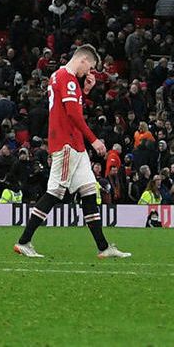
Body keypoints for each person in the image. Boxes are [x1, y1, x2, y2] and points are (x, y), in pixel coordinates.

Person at [14, 44, 131, 259]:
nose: (89, 73)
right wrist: (94, 140)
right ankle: (24, 241)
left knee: (88, 193)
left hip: (75, 146)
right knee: (55, 192)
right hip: (67, 144)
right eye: (90, 68)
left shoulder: (61, 78)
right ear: (83, 60)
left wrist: (85, 91)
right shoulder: (66, 78)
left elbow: (71, 109)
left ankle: (103, 247)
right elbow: (73, 116)